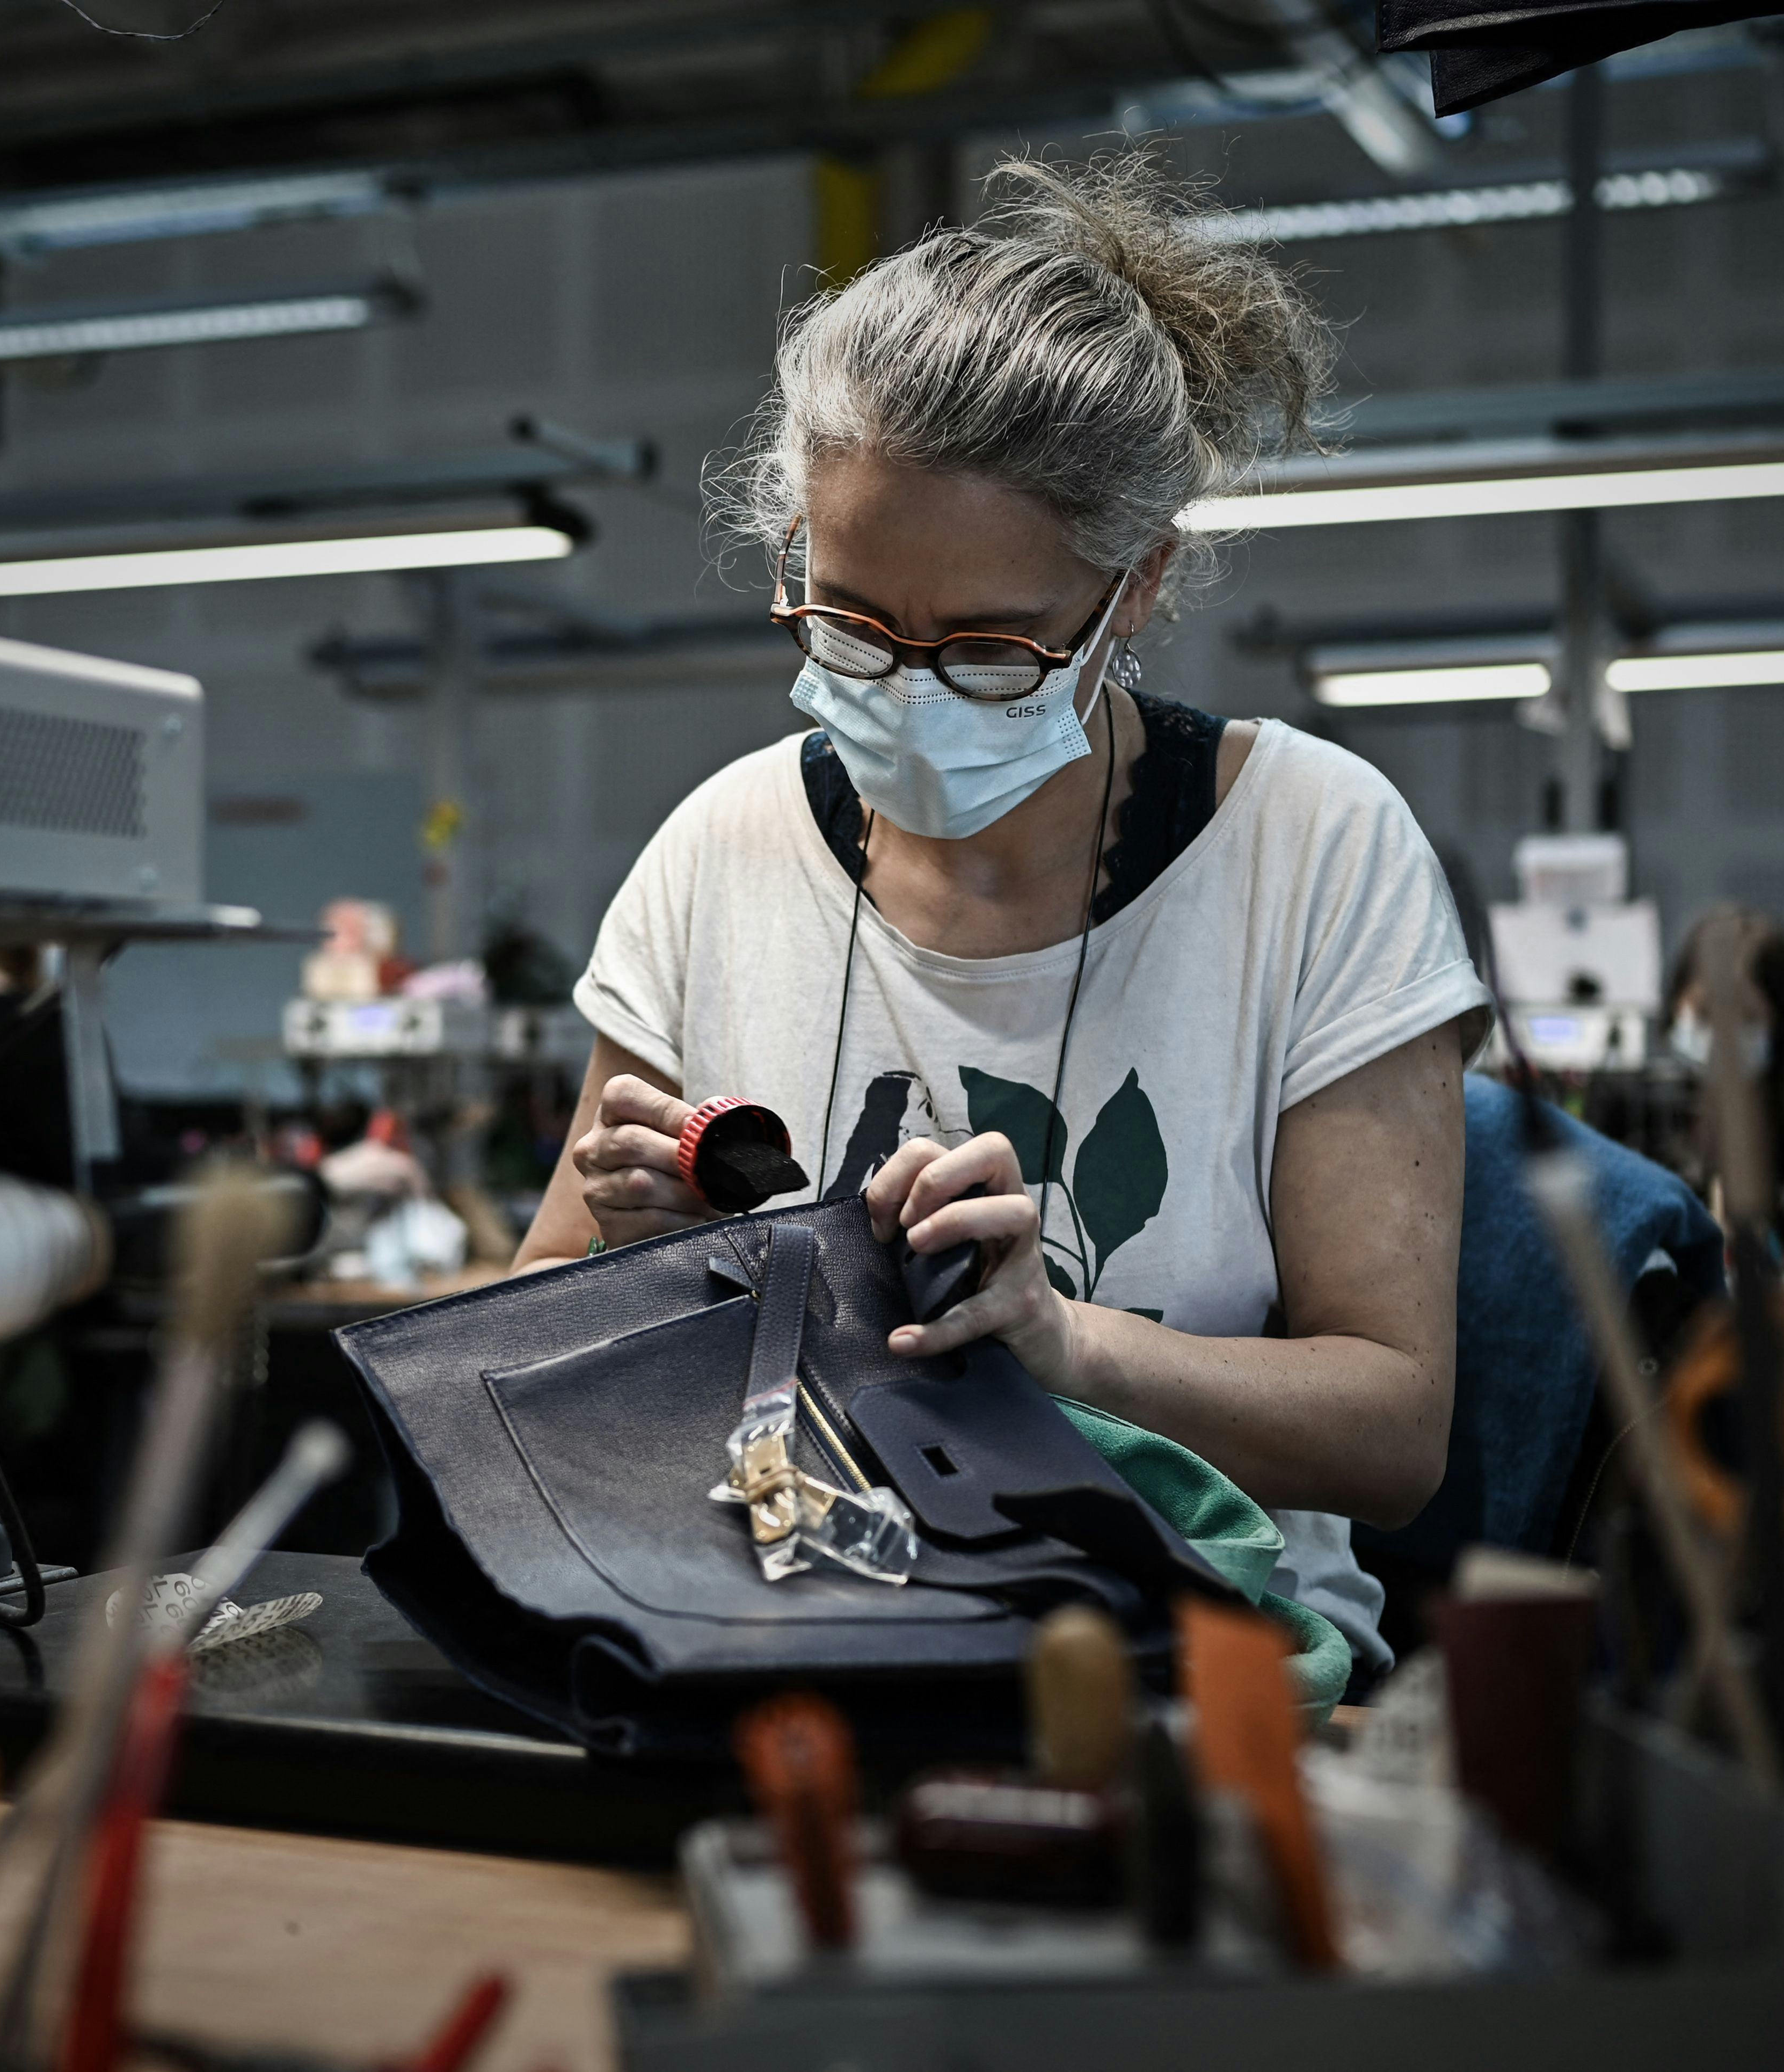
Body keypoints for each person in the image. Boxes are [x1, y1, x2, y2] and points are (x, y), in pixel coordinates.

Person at [510, 155, 1491, 1681]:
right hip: (777, 1647)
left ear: (1136, 587)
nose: (901, 685)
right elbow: (526, 1363)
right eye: (851, 617)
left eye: (986, 646)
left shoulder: (1312, 849)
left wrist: (1064, 1348)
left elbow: (1392, 1432)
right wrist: (653, 1276)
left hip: (1189, 1683)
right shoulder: (720, 853)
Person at [1661, 902, 1784, 1217]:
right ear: (1677, 1002)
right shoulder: (1639, 1104)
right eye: (1706, 1013)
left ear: (1781, 1022)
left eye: (1746, 1017)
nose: (1723, 1036)